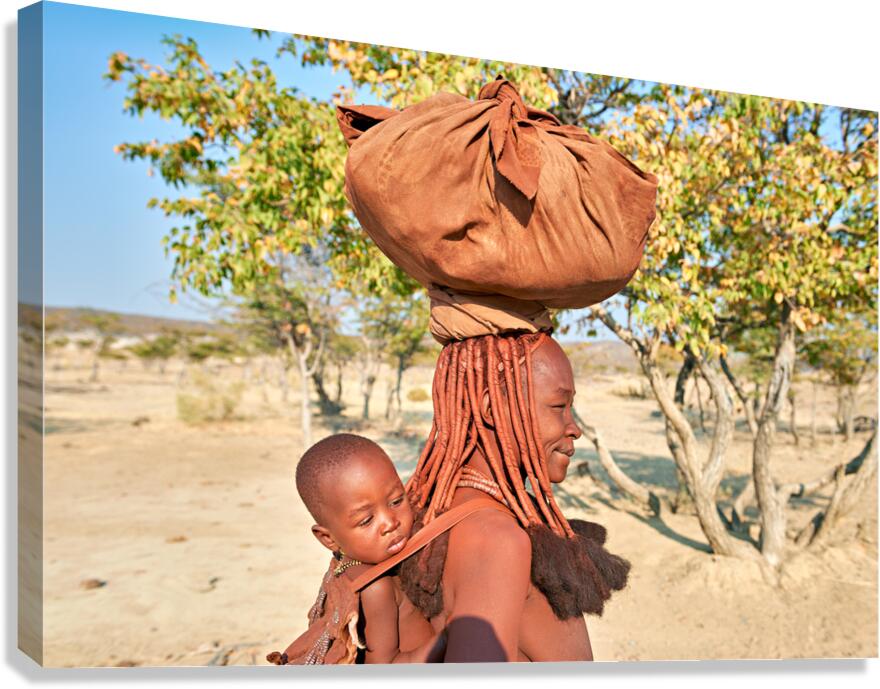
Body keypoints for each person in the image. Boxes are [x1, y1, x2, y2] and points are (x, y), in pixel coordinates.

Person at [400, 331, 630, 662]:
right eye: (558, 406)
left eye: (571, 407)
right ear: (493, 408)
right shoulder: (498, 540)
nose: (574, 427)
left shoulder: (429, 506)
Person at [294, 433, 446, 664]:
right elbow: (384, 667)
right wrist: (449, 636)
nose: (390, 523)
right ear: (328, 538)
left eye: (396, 501)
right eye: (366, 520)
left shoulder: (344, 565)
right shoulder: (376, 587)